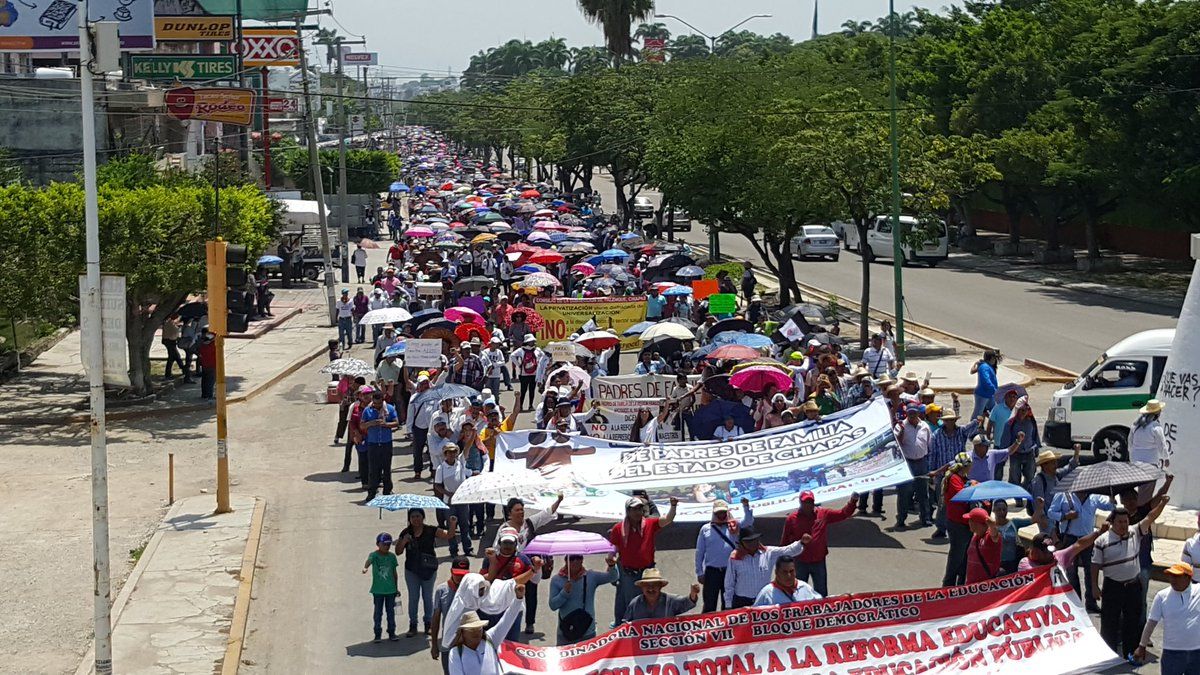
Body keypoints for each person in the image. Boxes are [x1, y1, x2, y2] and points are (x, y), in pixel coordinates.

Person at [1093, 498, 1171, 659]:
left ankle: (1131, 652)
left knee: (1132, 620)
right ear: (1112, 522)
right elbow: (1094, 565)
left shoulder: (1135, 532)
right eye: (1120, 521)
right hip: (1112, 587)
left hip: (1133, 586)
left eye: (1126, 521)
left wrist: (1162, 504)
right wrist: (1094, 586)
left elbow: (1150, 517)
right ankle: (1108, 655)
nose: (1123, 524)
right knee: (1109, 621)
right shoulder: (1101, 541)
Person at [493, 495, 564, 634]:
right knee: (512, 595)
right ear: (509, 513)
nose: (521, 512)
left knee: (531, 594)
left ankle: (530, 623)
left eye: (522, 509)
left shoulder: (529, 523)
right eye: (517, 510)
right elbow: (496, 548)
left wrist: (559, 501)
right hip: (512, 567)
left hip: (529, 565)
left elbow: (547, 513)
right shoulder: (503, 529)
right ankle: (509, 622)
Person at [609, 496, 677, 624]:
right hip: (629, 573)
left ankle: (649, 629)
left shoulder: (650, 524)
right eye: (634, 509)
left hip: (648, 573)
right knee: (632, 604)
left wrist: (673, 506)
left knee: (652, 601)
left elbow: (667, 520)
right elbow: (614, 547)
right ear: (628, 511)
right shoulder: (618, 528)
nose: (637, 512)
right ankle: (629, 631)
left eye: (640, 509)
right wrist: (611, 558)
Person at [778, 491, 858, 597]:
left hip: (819, 561)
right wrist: (782, 563)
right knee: (799, 593)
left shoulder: (823, 514)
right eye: (805, 502)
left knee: (821, 593)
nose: (808, 504)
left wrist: (853, 501)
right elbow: (784, 542)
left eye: (810, 502)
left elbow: (843, 514)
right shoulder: (791, 519)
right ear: (800, 503)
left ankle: (822, 613)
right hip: (800, 562)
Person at [1049, 489, 1115, 611]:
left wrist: (1112, 497)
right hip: (1069, 539)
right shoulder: (1063, 495)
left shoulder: (1094, 496)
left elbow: (1110, 507)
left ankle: (1091, 602)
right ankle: (1076, 603)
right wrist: (1065, 516)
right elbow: (1051, 512)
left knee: (1090, 571)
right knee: (1071, 573)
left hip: (1088, 539)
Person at [397, 509, 459, 637]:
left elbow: (449, 535)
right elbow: (398, 551)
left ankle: (428, 624)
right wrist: (404, 541)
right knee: (413, 598)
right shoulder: (405, 532)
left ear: (423, 517)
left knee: (427, 597)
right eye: (413, 517)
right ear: (409, 519)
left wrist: (452, 524)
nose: (416, 519)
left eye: (418, 516)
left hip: (428, 569)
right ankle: (413, 625)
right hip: (411, 570)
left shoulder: (431, 530)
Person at [1136, 562, 1200, 673]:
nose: (1172, 579)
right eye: (1171, 575)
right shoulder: (1162, 596)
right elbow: (1151, 623)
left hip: (1197, 653)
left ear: (1188, 577)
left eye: (1177, 576)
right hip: (1172, 654)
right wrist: (1142, 646)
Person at [695, 498, 754, 612]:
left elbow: (748, 521)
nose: (721, 515)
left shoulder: (734, 525)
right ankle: (708, 628)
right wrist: (699, 572)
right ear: (714, 512)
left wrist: (746, 506)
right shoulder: (705, 529)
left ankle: (726, 628)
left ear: (726, 511)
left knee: (728, 602)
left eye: (723, 512)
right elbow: (699, 552)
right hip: (712, 571)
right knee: (709, 603)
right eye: (718, 512)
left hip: (730, 570)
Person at [724, 527, 807, 609]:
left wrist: (801, 542)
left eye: (755, 539)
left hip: (764, 600)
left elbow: (788, 550)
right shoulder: (734, 557)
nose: (753, 543)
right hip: (742, 601)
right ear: (742, 543)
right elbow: (729, 583)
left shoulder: (768, 553)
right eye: (749, 541)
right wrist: (728, 605)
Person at [548, 554, 619, 645]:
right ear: (566, 561)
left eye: (578, 558)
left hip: (587, 632)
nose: (575, 561)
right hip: (566, 631)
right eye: (572, 558)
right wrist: (564, 592)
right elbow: (553, 605)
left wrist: (612, 566)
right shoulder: (556, 580)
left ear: (582, 560)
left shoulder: (591, 576)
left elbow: (613, 577)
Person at [446, 600, 523, 675]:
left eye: (479, 628)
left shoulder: (490, 639)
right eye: (471, 629)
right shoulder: (456, 653)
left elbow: (507, 619)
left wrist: (518, 599)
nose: (476, 632)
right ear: (463, 632)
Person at [434, 444, 477, 557]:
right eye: (449, 452)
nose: (452, 454)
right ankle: (453, 550)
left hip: (462, 501)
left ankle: (468, 548)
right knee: (451, 526)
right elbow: (437, 485)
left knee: (465, 525)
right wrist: (448, 493)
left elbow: (467, 447)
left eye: (454, 452)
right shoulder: (441, 468)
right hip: (449, 502)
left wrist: (473, 432)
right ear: (445, 454)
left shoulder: (461, 462)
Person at [894, 405, 932, 530]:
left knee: (923, 492)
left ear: (918, 414)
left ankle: (925, 518)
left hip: (922, 462)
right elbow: (896, 444)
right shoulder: (900, 426)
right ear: (906, 414)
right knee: (904, 492)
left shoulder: (925, 426)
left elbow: (929, 444)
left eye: (914, 413)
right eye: (910, 413)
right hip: (908, 463)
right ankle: (901, 519)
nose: (912, 416)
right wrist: (902, 432)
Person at [430, 557, 470, 674]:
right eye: (457, 574)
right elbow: (436, 619)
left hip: (468, 644)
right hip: (448, 644)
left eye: (463, 575)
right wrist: (434, 645)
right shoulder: (441, 590)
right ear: (451, 571)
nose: (459, 577)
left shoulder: (472, 589)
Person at [941, 452, 973, 586]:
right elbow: (962, 496)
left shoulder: (963, 478)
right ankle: (947, 586)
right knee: (956, 558)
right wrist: (972, 487)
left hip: (965, 523)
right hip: (957, 524)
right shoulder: (954, 478)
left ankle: (960, 586)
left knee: (965, 558)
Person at [622, 569, 699, 623]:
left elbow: (686, 603)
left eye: (654, 585)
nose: (651, 589)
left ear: (660, 586)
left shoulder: (670, 600)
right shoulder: (635, 603)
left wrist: (693, 593)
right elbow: (625, 626)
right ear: (642, 587)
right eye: (647, 585)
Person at [361, 390, 399, 500]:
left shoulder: (390, 409)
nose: (377, 406)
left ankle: (387, 490)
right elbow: (362, 425)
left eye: (379, 404)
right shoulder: (367, 410)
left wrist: (386, 424)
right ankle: (372, 492)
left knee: (386, 468)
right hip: (373, 443)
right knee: (373, 469)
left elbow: (396, 422)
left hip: (386, 443)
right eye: (375, 403)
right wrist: (371, 423)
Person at [1019, 527, 1108, 573]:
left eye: (1052, 550)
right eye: (1047, 552)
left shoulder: (1058, 556)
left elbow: (1079, 544)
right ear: (1036, 552)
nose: (1051, 554)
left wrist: (1099, 532)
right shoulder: (1025, 564)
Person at [363, 532, 400, 643]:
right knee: (378, 612)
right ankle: (377, 633)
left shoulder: (392, 557)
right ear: (378, 544)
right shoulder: (374, 555)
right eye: (384, 544)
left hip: (391, 590)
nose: (386, 547)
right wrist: (365, 568)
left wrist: (396, 588)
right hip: (378, 590)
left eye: (388, 544)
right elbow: (368, 561)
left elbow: (394, 573)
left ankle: (392, 631)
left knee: (391, 612)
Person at [1030, 446, 1080, 525]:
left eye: (1056, 462)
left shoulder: (1056, 475)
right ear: (1044, 466)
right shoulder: (1039, 482)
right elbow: (1038, 506)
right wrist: (1047, 525)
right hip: (1048, 522)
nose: (1056, 465)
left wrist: (1076, 453)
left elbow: (1070, 468)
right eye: (1053, 463)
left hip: (1059, 520)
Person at [753, 555, 822, 607]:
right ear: (776, 572)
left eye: (791, 571)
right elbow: (754, 616)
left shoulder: (805, 588)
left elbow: (821, 605)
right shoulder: (766, 593)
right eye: (784, 572)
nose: (789, 575)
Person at [964, 507, 1002, 584]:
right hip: (972, 586)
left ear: (975, 523)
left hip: (986, 587)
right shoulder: (975, 537)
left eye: (970, 520)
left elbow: (995, 536)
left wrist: (992, 526)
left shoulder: (989, 538)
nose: (968, 522)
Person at [1129, 400, 1169, 468]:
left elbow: (1130, 443)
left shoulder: (1135, 425)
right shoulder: (1156, 427)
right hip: (1151, 461)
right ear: (1158, 413)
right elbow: (1162, 445)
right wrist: (1166, 458)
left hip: (1135, 460)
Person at [510, 335, 543, 411]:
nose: (532, 342)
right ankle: (526, 405)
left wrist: (519, 365)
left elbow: (512, 356)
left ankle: (525, 405)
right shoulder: (536, 350)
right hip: (531, 373)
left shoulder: (522, 350)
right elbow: (512, 355)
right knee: (526, 390)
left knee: (527, 390)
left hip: (526, 374)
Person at [970, 351, 1000, 418]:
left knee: (994, 411)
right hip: (983, 394)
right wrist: (994, 390)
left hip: (990, 394)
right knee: (977, 414)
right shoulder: (984, 367)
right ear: (991, 358)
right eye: (994, 358)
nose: (995, 360)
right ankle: (972, 428)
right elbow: (986, 380)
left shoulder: (988, 366)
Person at [161, 313, 186, 380]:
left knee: (172, 357)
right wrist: (178, 328)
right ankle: (183, 369)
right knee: (175, 356)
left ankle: (169, 373)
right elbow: (175, 332)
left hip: (167, 341)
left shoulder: (168, 323)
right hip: (170, 341)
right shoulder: (170, 324)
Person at [197, 332, 217, 399]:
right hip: (212, 365)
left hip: (204, 365)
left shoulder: (202, 346)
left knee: (205, 380)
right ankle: (210, 395)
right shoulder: (213, 345)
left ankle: (204, 394)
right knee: (211, 381)